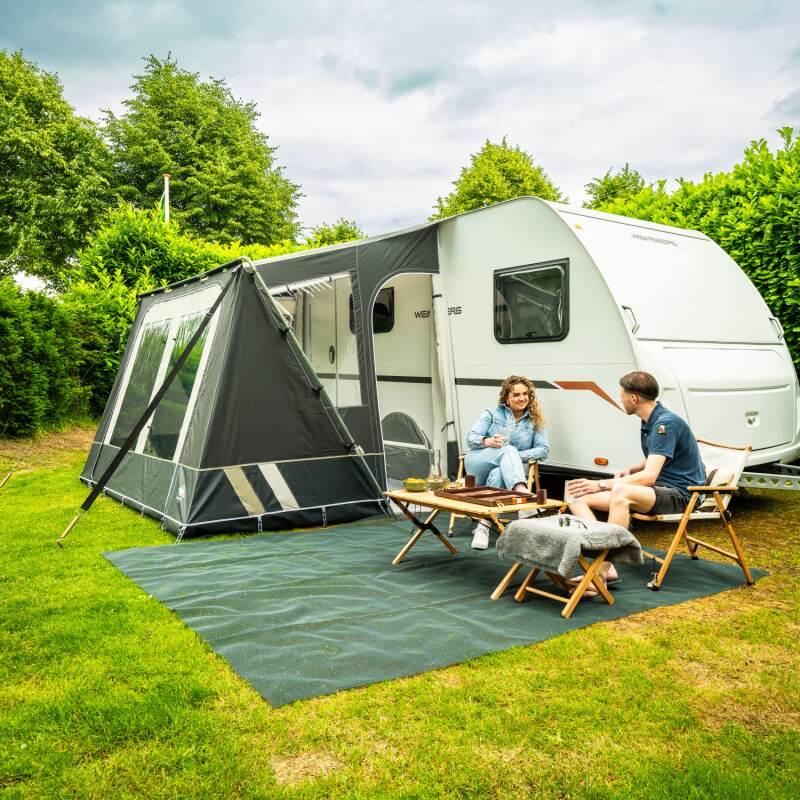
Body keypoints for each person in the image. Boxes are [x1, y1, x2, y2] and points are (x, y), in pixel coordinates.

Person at [567, 370, 706, 584]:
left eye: (621, 396)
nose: (620, 400)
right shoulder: (651, 419)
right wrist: (631, 469)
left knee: (621, 491)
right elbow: (656, 456)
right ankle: (606, 562)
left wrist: (601, 484)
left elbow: (649, 476)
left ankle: (599, 573)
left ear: (634, 398)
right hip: (657, 491)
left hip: (681, 495)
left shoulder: (665, 424)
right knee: (575, 495)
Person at [464, 375, 549, 549]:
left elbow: (543, 449)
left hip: (505, 472)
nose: (522, 398)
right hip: (478, 463)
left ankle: (483, 526)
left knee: (499, 472)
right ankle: (524, 494)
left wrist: (512, 456)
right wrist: (487, 441)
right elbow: (470, 438)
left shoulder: (534, 419)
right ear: (507, 398)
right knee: (508, 450)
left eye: (525, 394)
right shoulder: (492, 413)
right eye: (516, 395)